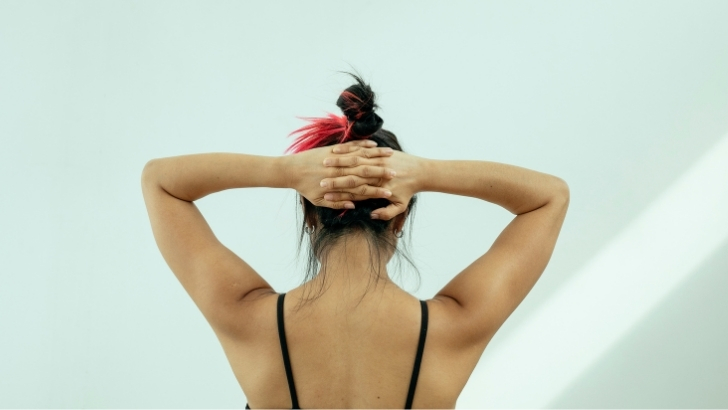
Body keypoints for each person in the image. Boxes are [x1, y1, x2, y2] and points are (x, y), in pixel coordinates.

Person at [141, 74, 569, 409]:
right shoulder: (455, 325)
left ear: (310, 215)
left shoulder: (246, 316)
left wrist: (284, 172)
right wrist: (426, 173)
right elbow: (549, 196)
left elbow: (160, 181)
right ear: (399, 219)